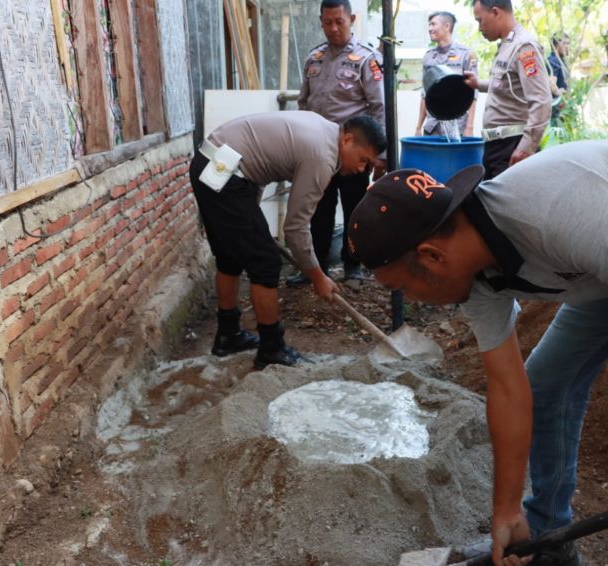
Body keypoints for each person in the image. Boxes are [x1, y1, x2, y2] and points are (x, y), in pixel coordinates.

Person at [347, 140, 608, 566]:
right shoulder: (473, 272)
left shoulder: (557, 214)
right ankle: (548, 537)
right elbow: (510, 389)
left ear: (432, 256)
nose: (413, 299)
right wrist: (507, 512)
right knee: (546, 385)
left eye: (403, 287)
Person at [189, 111, 385, 369]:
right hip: (224, 172)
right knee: (266, 264)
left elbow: (255, 166)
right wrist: (317, 277)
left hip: (212, 161)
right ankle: (271, 348)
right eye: (363, 161)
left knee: (230, 256)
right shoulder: (322, 157)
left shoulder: (325, 130)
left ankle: (228, 335)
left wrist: (249, 220)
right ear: (347, 140)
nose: (362, 169)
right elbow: (295, 227)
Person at [290, 0, 386, 285]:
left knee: (355, 208)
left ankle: (352, 265)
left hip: (354, 152)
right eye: (327, 22)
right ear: (321, 21)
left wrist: (380, 155)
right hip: (319, 151)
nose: (333, 28)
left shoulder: (366, 59)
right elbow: (304, 103)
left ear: (351, 19)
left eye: (339, 22)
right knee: (318, 208)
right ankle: (316, 266)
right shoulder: (314, 58)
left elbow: (379, 107)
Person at [463, 0, 551, 180]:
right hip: (497, 147)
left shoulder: (524, 47)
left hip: (512, 146)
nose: (480, 28)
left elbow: (541, 100)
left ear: (495, 12)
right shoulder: (507, 45)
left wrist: (526, 148)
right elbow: (506, 86)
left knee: (509, 207)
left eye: (480, 21)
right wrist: (478, 84)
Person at [415, 11, 479, 138]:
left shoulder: (465, 55)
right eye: (429, 25)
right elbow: (424, 94)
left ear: (447, 26)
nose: (430, 29)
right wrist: (418, 127)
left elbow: (473, 94)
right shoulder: (428, 57)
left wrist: (469, 127)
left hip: (457, 125)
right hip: (432, 126)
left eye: (433, 24)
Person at [547, 33, 569, 126]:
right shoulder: (554, 60)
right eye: (565, 43)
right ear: (556, 45)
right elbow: (551, 84)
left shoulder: (558, 59)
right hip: (555, 111)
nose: (568, 46)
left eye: (569, 43)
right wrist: (559, 92)